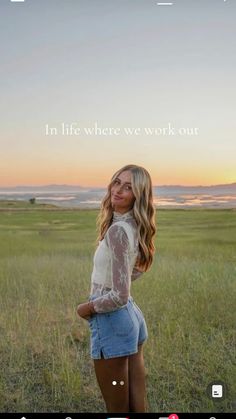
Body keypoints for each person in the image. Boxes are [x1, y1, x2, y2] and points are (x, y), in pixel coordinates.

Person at [76, 164, 156, 413]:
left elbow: (120, 295)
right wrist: (122, 281)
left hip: (114, 319)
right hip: (131, 318)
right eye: (117, 182)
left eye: (129, 187)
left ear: (138, 196)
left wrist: (87, 307)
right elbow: (141, 267)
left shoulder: (118, 232)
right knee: (135, 405)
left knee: (118, 410)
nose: (119, 190)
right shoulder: (132, 226)